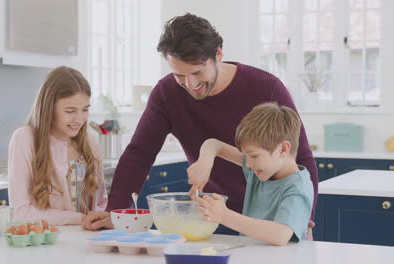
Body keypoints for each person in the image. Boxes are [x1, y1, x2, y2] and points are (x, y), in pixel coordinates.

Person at [82, 13, 318, 235]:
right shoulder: (167, 93)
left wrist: (303, 217)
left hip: (269, 219)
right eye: (179, 75)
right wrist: (115, 211)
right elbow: (138, 154)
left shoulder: (266, 87)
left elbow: (301, 158)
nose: (189, 83)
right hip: (210, 216)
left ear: (217, 55)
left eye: (197, 72)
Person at [191, 102, 313, 246]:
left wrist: (224, 215)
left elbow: (280, 235)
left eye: (254, 156)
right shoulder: (263, 169)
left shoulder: (298, 186)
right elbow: (214, 144)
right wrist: (205, 162)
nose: (247, 164)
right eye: (246, 156)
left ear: (283, 149)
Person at [8, 66, 107, 225]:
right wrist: (80, 219)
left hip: (85, 242)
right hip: (44, 245)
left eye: (85, 110)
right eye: (70, 111)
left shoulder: (91, 144)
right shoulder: (25, 139)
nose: (79, 119)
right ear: (49, 108)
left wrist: (101, 218)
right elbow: (21, 213)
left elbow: (101, 204)